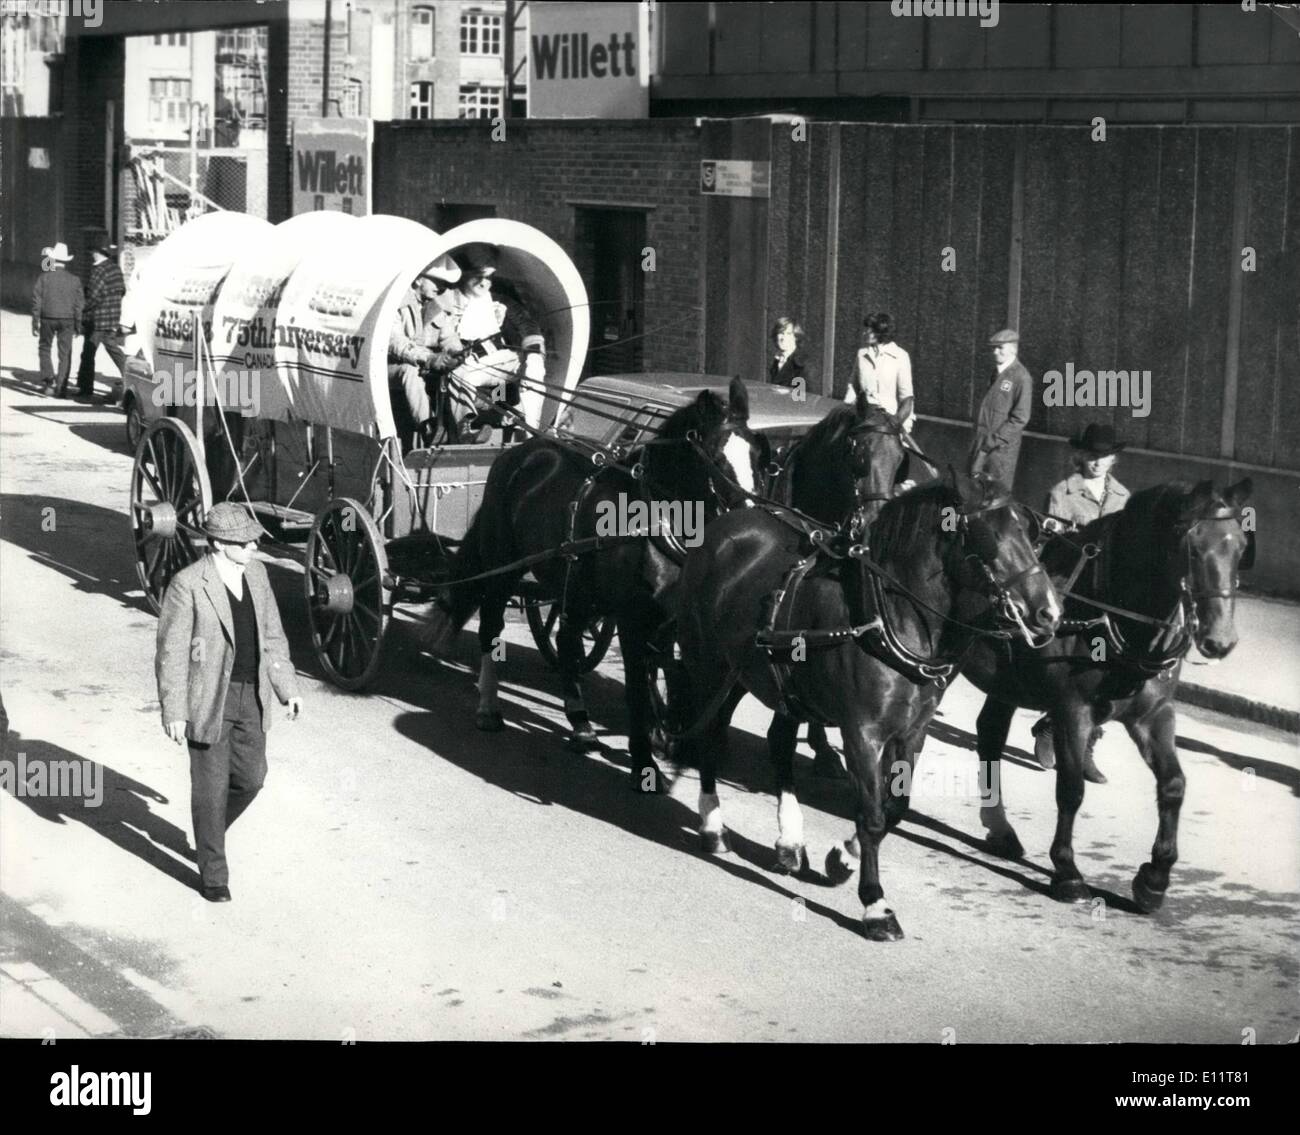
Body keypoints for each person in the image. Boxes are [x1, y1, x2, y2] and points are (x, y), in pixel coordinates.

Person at [156, 502, 303, 902]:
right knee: (210, 789)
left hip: (251, 696)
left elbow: (273, 637)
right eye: (244, 542)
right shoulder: (188, 584)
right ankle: (214, 875)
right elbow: (171, 652)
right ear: (219, 544)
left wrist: (287, 688)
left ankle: (209, 835)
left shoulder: (257, 575)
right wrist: (174, 710)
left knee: (252, 778)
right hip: (208, 700)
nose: (254, 546)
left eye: (253, 540)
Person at [1030, 422, 1131, 784]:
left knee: (1110, 673)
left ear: (1113, 459)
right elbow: (1047, 548)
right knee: (1073, 671)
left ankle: (1085, 745)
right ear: (1080, 456)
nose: (1097, 462)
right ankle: (1052, 725)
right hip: (1073, 594)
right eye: (1091, 455)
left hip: (1109, 600)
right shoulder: (1062, 493)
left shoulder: (1123, 497)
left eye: (1104, 456)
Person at [437, 243, 547, 442]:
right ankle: (465, 430)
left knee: (535, 366)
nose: (484, 283)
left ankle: (529, 431)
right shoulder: (446, 301)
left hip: (501, 363)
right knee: (461, 375)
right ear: (464, 275)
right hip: (469, 366)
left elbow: (526, 324)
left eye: (489, 277)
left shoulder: (498, 301)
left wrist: (533, 354)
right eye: (478, 276)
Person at [387, 254, 463, 450]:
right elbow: (395, 343)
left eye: (444, 284)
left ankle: (462, 427)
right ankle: (428, 428)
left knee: (462, 371)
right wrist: (429, 358)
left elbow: (449, 337)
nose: (441, 287)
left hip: (427, 366)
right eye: (437, 281)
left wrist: (456, 354)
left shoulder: (438, 305)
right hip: (392, 368)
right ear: (419, 278)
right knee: (409, 371)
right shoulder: (396, 302)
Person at [969, 328, 1033, 489]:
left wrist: (993, 441)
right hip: (982, 444)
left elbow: (1020, 418)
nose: (995, 352)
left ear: (1013, 349)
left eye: (1000, 348)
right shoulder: (996, 373)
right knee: (974, 489)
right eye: (994, 348)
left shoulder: (1021, 377)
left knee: (995, 493)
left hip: (1000, 451)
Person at [843, 312, 914, 433]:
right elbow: (853, 386)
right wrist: (846, 409)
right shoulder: (861, 354)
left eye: (869, 330)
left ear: (881, 332)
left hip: (889, 422)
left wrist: (896, 423)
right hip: (863, 419)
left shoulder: (901, 356)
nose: (864, 333)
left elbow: (906, 398)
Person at [76, 243, 128, 402]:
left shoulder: (98, 271)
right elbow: (122, 290)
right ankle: (130, 376)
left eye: (92, 251)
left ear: (97, 253)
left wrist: (82, 310)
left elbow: (94, 296)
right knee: (113, 348)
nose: (91, 254)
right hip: (113, 316)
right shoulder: (115, 269)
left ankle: (85, 388)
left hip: (98, 319)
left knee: (88, 352)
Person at [32, 241, 84, 398]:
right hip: (68, 319)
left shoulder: (44, 278)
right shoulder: (75, 280)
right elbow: (79, 304)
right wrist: (78, 324)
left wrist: (35, 321)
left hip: (47, 317)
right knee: (65, 353)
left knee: (44, 348)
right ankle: (61, 387)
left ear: (53, 260)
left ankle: (49, 382)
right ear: (66, 262)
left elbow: (36, 301)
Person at [768, 316, 817, 392]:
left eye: (788, 334)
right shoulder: (776, 361)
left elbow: (805, 396)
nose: (783, 338)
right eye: (781, 333)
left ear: (795, 337)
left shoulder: (803, 363)